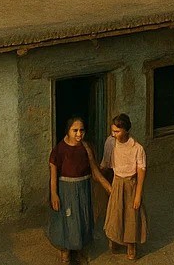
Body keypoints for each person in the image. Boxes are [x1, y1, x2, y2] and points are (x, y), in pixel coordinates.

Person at [47, 117, 108, 264]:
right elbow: (53, 175)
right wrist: (54, 194)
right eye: (75, 130)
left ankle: (80, 249)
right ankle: (66, 251)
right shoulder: (59, 150)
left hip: (83, 189)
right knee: (67, 220)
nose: (79, 134)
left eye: (82, 130)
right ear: (68, 131)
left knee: (82, 218)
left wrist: (111, 189)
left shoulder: (86, 148)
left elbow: (95, 172)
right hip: (65, 190)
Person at [101, 113, 147, 260]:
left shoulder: (137, 148)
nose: (114, 134)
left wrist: (138, 194)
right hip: (117, 181)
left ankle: (131, 245)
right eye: (112, 130)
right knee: (115, 213)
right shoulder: (110, 142)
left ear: (126, 130)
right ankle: (115, 239)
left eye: (117, 131)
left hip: (131, 183)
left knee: (131, 215)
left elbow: (141, 171)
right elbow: (105, 163)